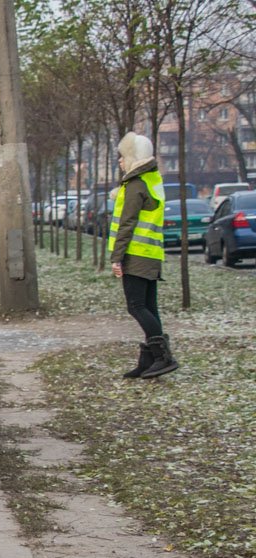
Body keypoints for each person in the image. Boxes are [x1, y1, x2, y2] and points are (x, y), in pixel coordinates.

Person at [108, 131, 178, 378]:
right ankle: (149, 361)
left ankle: (162, 356)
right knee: (149, 306)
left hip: (135, 254)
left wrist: (116, 257)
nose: (120, 161)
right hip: (151, 254)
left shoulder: (135, 186)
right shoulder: (150, 181)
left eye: (123, 156)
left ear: (134, 158)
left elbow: (126, 224)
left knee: (136, 306)